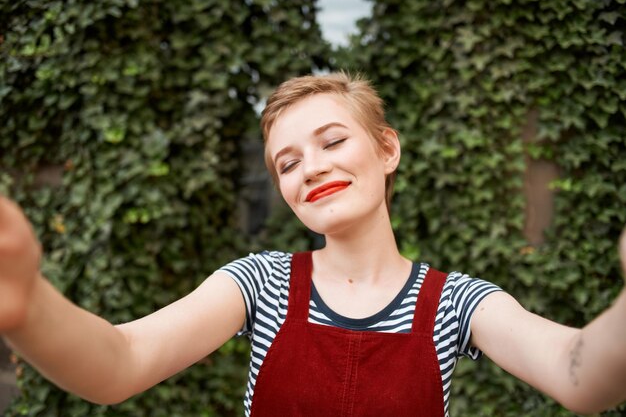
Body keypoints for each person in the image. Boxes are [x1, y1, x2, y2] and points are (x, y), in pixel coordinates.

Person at [1, 72, 626, 416]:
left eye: (332, 142)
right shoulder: (259, 284)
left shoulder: (455, 304)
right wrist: (24, 299)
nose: (311, 169)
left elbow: (578, 374)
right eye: (287, 162)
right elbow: (120, 362)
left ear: (387, 149)